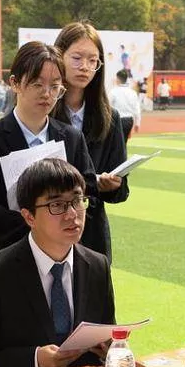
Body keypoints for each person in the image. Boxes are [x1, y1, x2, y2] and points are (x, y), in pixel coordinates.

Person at [0, 158, 115, 367]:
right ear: (29, 216)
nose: (72, 214)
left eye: (77, 200)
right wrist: (34, 360)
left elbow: (108, 336)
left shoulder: (97, 266)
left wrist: (110, 348)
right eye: (57, 205)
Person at [0, 41, 98, 258]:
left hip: (63, 255)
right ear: (15, 83)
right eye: (37, 84)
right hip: (9, 256)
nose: (47, 94)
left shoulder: (72, 138)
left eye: (55, 86)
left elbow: (89, 192)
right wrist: (38, 227)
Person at [51, 21, 129, 261]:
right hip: (48, 229)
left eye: (93, 60)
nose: (85, 67)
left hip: (91, 235)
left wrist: (112, 185)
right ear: (59, 56)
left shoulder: (110, 118)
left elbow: (122, 192)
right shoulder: (42, 112)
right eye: (76, 58)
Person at [110, 69, 142, 144]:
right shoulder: (132, 92)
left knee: (116, 144)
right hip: (129, 121)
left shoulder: (113, 92)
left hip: (117, 120)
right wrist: (137, 123)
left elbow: (108, 107)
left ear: (118, 79)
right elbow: (137, 109)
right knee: (124, 143)